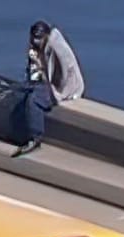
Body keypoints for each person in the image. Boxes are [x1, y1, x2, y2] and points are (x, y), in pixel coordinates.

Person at [15, 21, 84, 157]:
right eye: (34, 38)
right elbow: (33, 68)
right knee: (21, 96)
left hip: (64, 88)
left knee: (34, 101)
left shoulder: (57, 45)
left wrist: (57, 92)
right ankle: (19, 132)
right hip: (47, 82)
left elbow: (68, 68)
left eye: (39, 38)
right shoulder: (35, 46)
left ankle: (35, 138)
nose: (36, 41)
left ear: (46, 36)